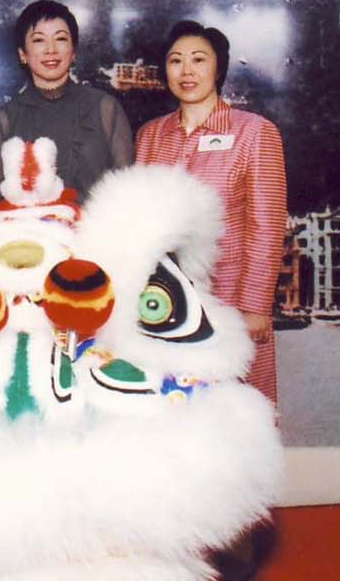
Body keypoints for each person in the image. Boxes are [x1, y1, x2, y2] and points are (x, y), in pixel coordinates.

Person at [134, 21, 287, 404]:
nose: (187, 71)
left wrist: (254, 307)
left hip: (231, 303)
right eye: (176, 61)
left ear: (218, 68)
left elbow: (267, 227)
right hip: (165, 304)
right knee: (172, 415)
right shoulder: (150, 135)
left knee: (235, 419)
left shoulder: (255, 132)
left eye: (199, 60)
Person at [0, 0, 133, 216]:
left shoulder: (105, 108)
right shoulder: (4, 119)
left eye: (60, 39)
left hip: (94, 238)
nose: (51, 50)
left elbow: (126, 188)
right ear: (23, 54)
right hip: (27, 241)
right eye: (39, 40)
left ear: (74, 51)